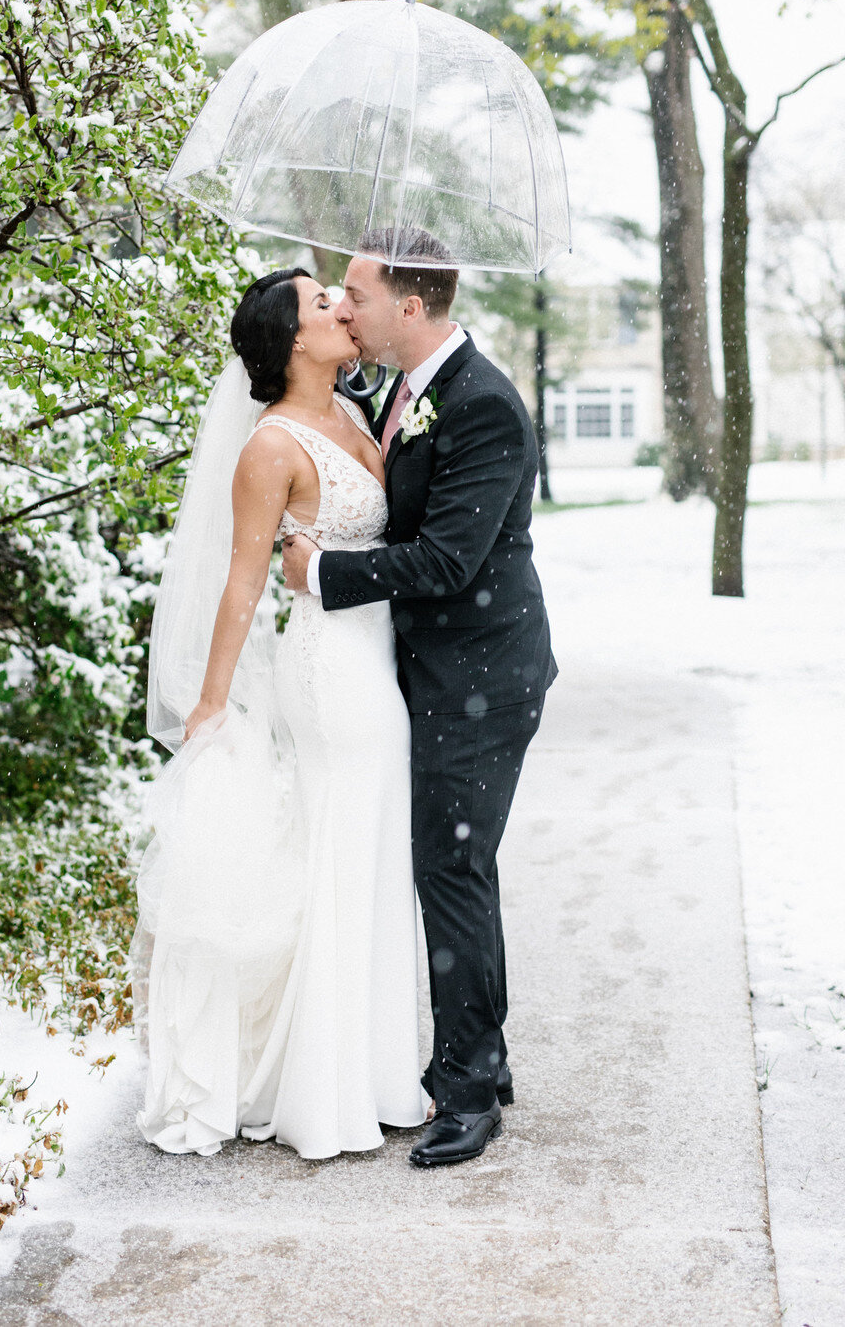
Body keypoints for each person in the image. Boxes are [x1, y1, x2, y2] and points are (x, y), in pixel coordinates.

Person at [131, 267, 426, 1160]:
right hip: (330, 668)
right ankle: (321, 1093)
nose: (342, 305)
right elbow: (241, 582)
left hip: (380, 657)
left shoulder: (356, 411)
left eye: (340, 295)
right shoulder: (271, 447)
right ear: (293, 337)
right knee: (344, 852)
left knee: (372, 851)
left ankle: (371, 1071)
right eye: (321, 301)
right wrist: (212, 699)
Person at [282, 228, 557, 1169]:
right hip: (436, 676)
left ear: (410, 305)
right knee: (453, 866)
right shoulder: (403, 390)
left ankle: (469, 1091)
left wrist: (321, 572)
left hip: (484, 674)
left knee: (450, 868)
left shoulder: (481, 406)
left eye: (354, 293)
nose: (343, 307)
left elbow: (444, 562)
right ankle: (488, 1056)